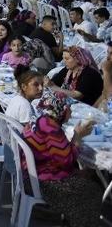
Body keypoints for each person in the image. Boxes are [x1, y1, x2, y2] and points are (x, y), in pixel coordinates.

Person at [21, 90, 103, 227]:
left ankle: (72, 219)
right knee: (92, 189)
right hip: (43, 182)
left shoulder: (41, 120)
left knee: (88, 175)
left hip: (32, 174)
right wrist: (77, 136)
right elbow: (67, 161)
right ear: (61, 109)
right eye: (69, 108)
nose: (70, 112)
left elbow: (60, 156)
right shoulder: (51, 128)